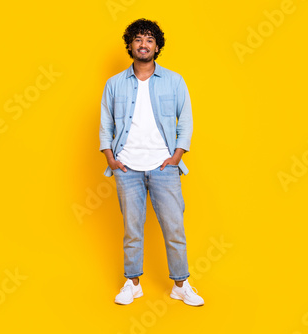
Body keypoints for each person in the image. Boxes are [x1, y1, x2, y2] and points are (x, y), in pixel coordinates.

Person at [99, 18, 204, 306]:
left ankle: (181, 285)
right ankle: (132, 284)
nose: (143, 44)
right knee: (132, 228)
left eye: (149, 39)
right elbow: (105, 123)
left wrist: (177, 156)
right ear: (130, 45)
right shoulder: (114, 84)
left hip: (164, 166)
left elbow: (187, 122)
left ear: (157, 46)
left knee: (174, 228)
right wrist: (111, 157)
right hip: (127, 167)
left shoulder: (174, 80)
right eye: (138, 39)